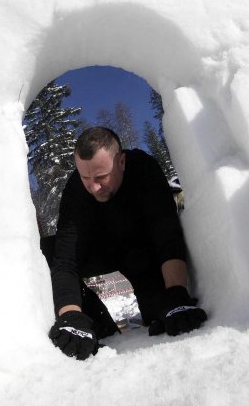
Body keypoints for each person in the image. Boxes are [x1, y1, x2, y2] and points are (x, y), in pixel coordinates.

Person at [45, 126, 207, 360]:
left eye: (101, 177)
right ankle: (98, 327)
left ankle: (159, 305)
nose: (93, 187)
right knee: (47, 252)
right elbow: (65, 258)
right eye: (85, 177)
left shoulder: (144, 169)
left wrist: (176, 292)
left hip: (143, 252)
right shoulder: (76, 190)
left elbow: (167, 235)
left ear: (121, 162)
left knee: (162, 315)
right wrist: (70, 316)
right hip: (98, 249)